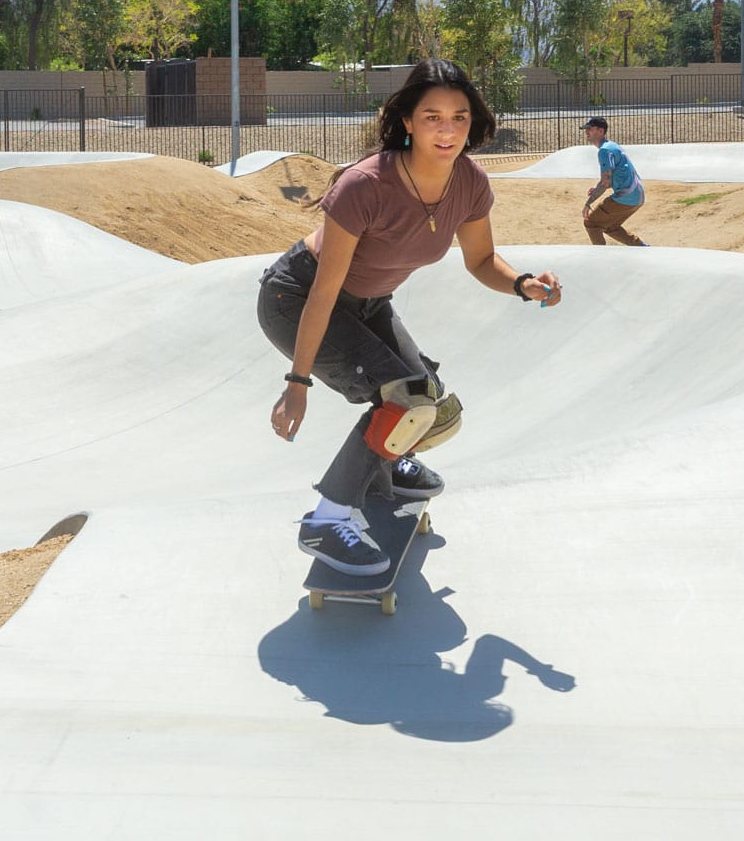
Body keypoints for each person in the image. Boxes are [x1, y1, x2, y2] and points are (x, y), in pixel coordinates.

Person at [259, 59, 564, 576]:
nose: (447, 130)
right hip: (300, 298)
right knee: (406, 403)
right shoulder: (366, 185)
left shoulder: (469, 182)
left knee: (431, 400)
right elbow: (324, 290)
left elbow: (481, 260)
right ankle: (328, 517)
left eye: (459, 117)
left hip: (369, 302)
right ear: (406, 121)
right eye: (432, 117)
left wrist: (521, 283)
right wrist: (297, 381)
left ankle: (381, 473)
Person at [579, 116, 648, 247]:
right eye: (585, 129)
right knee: (610, 227)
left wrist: (588, 203)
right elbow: (611, 179)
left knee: (591, 223)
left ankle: (601, 257)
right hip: (638, 196)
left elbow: (605, 183)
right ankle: (643, 248)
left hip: (626, 197)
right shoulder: (612, 146)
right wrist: (597, 187)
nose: (586, 132)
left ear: (600, 131)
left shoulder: (604, 151)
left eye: (589, 129)